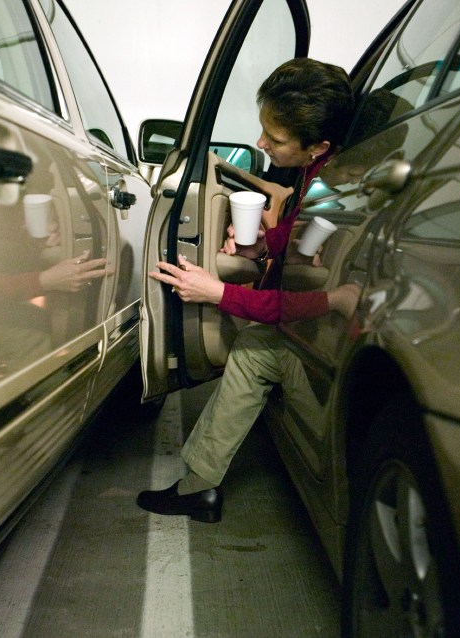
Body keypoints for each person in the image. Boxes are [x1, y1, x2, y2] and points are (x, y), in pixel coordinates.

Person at [137, 58, 360, 523]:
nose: (260, 144)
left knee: (257, 348)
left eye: (274, 139)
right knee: (254, 352)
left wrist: (214, 291)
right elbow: (304, 232)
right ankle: (199, 487)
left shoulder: (332, 188)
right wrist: (266, 244)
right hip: (316, 335)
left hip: (333, 357)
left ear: (317, 144)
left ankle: (199, 487)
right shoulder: (322, 175)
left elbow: (289, 307)